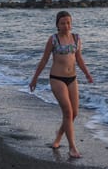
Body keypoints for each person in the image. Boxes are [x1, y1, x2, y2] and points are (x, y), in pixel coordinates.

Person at [29, 11, 93, 158]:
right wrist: (34, 79)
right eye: (63, 23)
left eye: (69, 22)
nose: (66, 25)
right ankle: (72, 147)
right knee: (68, 112)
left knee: (74, 113)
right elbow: (44, 60)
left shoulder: (76, 38)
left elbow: (79, 58)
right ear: (57, 24)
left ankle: (58, 136)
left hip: (72, 79)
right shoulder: (53, 39)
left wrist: (87, 73)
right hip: (57, 78)